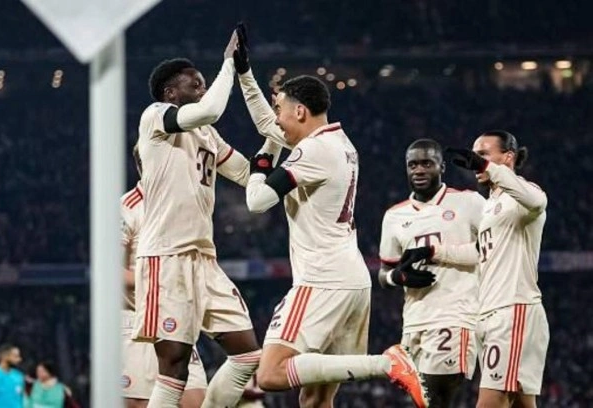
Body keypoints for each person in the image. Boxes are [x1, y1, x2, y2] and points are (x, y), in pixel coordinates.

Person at [234, 24, 428, 408]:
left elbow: (257, 201)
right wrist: (245, 75)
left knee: (271, 373)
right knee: (316, 401)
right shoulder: (338, 143)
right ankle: (385, 364)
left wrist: (261, 162)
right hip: (351, 281)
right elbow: (270, 126)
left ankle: (386, 363)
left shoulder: (313, 152)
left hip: (321, 281)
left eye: (280, 110)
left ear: (300, 111)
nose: (276, 119)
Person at [132, 27, 282, 407]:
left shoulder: (208, 135)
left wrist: (276, 137)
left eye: (203, 85)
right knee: (175, 367)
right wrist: (229, 64)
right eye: (195, 85)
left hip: (205, 259)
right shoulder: (155, 117)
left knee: (248, 355)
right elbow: (211, 108)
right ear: (171, 93)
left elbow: (249, 174)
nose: (202, 90)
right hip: (167, 256)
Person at [439, 131, 549, 408]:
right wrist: (434, 252)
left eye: (483, 154)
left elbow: (538, 202)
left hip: (513, 309)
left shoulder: (523, 195)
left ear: (508, 157)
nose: (475, 161)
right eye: (474, 155)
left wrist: (487, 167)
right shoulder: (490, 206)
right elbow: (480, 252)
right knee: (521, 403)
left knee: (491, 401)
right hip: (489, 312)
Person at [377, 139, 485, 407]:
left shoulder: (469, 202)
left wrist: (436, 252)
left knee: (436, 399)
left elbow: (493, 250)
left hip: (455, 315)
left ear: (442, 167)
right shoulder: (394, 216)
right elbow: (384, 272)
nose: (419, 170)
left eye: (427, 163)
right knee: (425, 402)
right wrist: (396, 277)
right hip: (414, 322)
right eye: (412, 165)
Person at [121, 145, 207, 407]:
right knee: (138, 404)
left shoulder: (181, 204)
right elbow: (112, 273)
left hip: (176, 318)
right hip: (137, 322)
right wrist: (160, 282)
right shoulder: (127, 207)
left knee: (196, 401)